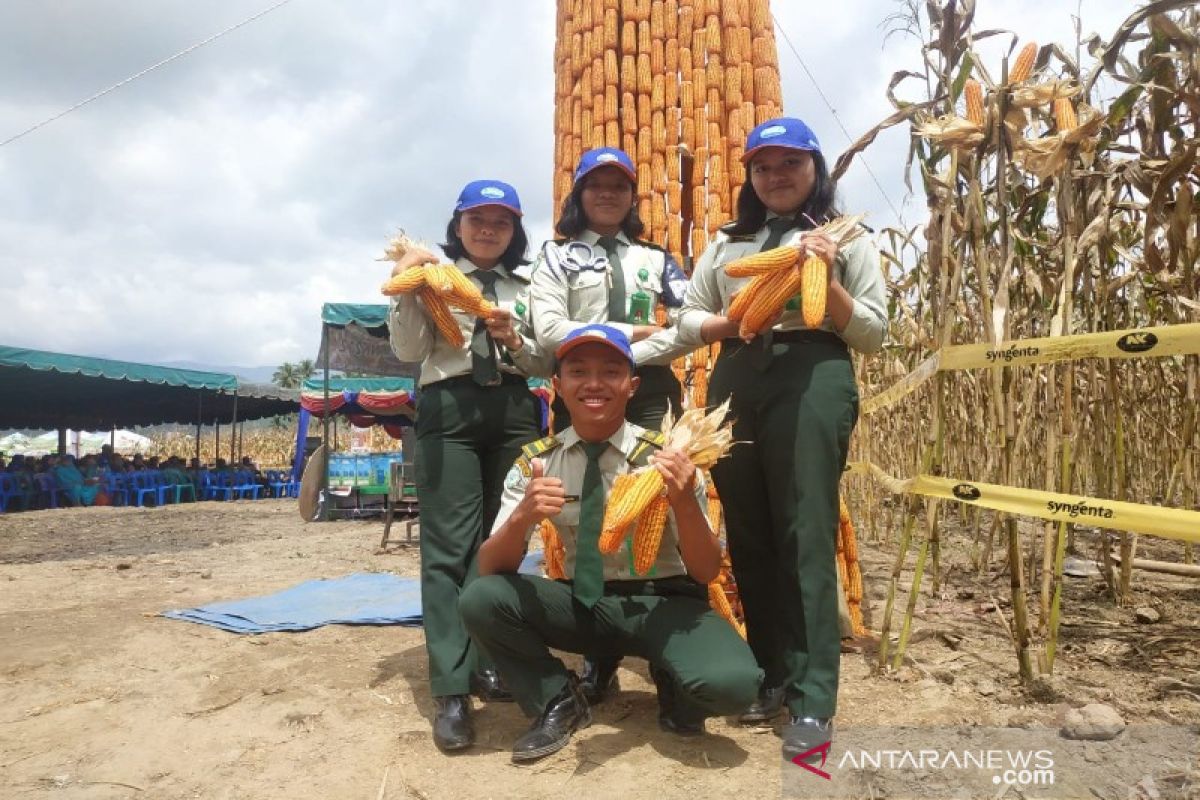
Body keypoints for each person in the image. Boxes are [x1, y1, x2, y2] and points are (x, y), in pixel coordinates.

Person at [677, 117, 887, 761]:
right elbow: (689, 312)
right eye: (763, 166)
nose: (776, 176)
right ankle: (772, 674)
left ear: (815, 169)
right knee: (750, 531)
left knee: (805, 529)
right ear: (751, 177)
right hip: (739, 374)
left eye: (790, 164)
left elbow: (875, 332)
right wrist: (728, 321)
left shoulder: (844, 238)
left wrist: (831, 282)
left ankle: (814, 694)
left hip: (812, 369)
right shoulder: (727, 243)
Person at [459, 325, 761, 763]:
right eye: (579, 372)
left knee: (731, 686)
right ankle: (557, 699)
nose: (595, 384)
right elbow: (490, 566)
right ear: (558, 387)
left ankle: (672, 677)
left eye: (611, 371)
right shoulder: (537, 461)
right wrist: (522, 517)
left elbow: (706, 569)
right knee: (481, 598)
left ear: (632, 386)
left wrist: (683, 501)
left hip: (665, 603)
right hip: (586, 602)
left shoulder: (670, 457)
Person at [388, 179, 554, 753]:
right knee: (449, 548)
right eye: (477, 219)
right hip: (449, 405)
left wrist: (517, 340)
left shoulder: (533, 284)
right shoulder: (431, 275)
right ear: (457, 224)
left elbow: (542, 359)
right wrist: (408, 285)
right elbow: (410, 352)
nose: (488, 230)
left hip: (513, 407)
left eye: (501, 222)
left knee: (503, 538)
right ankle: (452, 690)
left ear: (515, 230)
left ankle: (491, 659)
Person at [529, 146, 695, 704]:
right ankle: (599, 652)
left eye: (619, 185)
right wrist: (636, 335)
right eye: (595, 184)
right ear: (578, 194)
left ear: (631, 197)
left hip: (650, 395)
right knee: (590, 512)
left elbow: (689, 322)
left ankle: (667, 646)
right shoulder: (556, 258)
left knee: (659, 508)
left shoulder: (658, 260)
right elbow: (550, 331)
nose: (607, 194)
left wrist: (643, 347)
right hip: (584, 395)